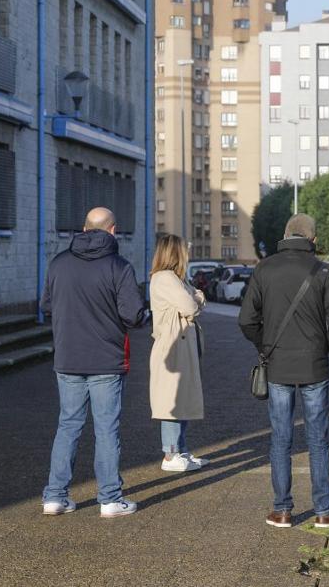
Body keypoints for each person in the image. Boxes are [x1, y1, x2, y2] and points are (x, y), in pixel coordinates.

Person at [238, 214, 329, 529]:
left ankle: (282, 510)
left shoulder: (264, 268)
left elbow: (246, 320)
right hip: (314, 364)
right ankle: (324, 510)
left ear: (286, 235)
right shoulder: (324, 271)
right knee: (317, 437)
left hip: (277, 365)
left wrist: (265, 346)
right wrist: (327, 345)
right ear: (313, 240)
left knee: (280, 438)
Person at [41, 207, 146, 518]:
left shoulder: (59, 264)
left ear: (84, 229)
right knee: (106, 429)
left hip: (68, 357)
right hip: (106, 359)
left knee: (68, 426)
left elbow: (46, 306)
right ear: (112, 231)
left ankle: (55, 496)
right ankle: (110, 499)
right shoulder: (119, 267)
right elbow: (133, 315)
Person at [148, 233, 208, 473]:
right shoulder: (164, 279)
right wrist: (195, 299)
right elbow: (191, 305)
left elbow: (198, 298)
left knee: (181, 399)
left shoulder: (177, 279)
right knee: (171, 400)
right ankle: (170, 453)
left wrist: (195, 298)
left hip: (181, 346)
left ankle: (181, 450)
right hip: (172, 348)